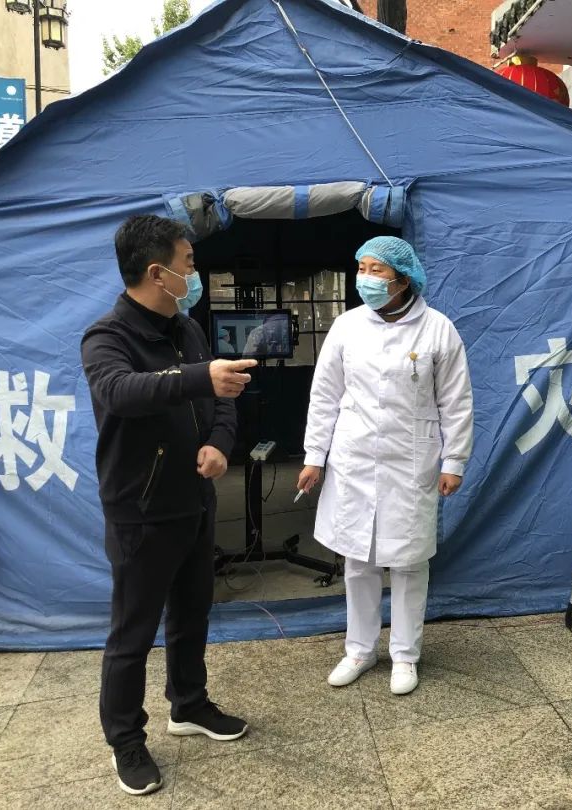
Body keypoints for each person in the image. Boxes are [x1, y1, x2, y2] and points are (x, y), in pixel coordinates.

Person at [81, 215, 256, 796]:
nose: (194, 273)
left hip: (195, 501)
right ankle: (126, 740)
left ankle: (189, 703)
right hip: (141, 509)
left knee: (192, 614)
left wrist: (219, 443)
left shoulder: (187, 329)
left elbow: (222, 401)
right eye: (189, 263)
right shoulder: (107, 337)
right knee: (131, 635)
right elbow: (120, 392)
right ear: (158, 273)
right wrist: (198, 376)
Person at [297, 236, 473, 696]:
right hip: (353, 459)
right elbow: (325, 395)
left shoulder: (437, 330)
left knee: (410, 562)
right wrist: (315, 456)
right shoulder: (346, 326)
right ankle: (360, 649)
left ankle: (405, 654)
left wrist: (454, 460)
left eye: (377, 270)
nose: (366, 278)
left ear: (403, 279)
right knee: (358, 559)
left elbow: (456, 401)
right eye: (362, 268)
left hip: (410, 461)